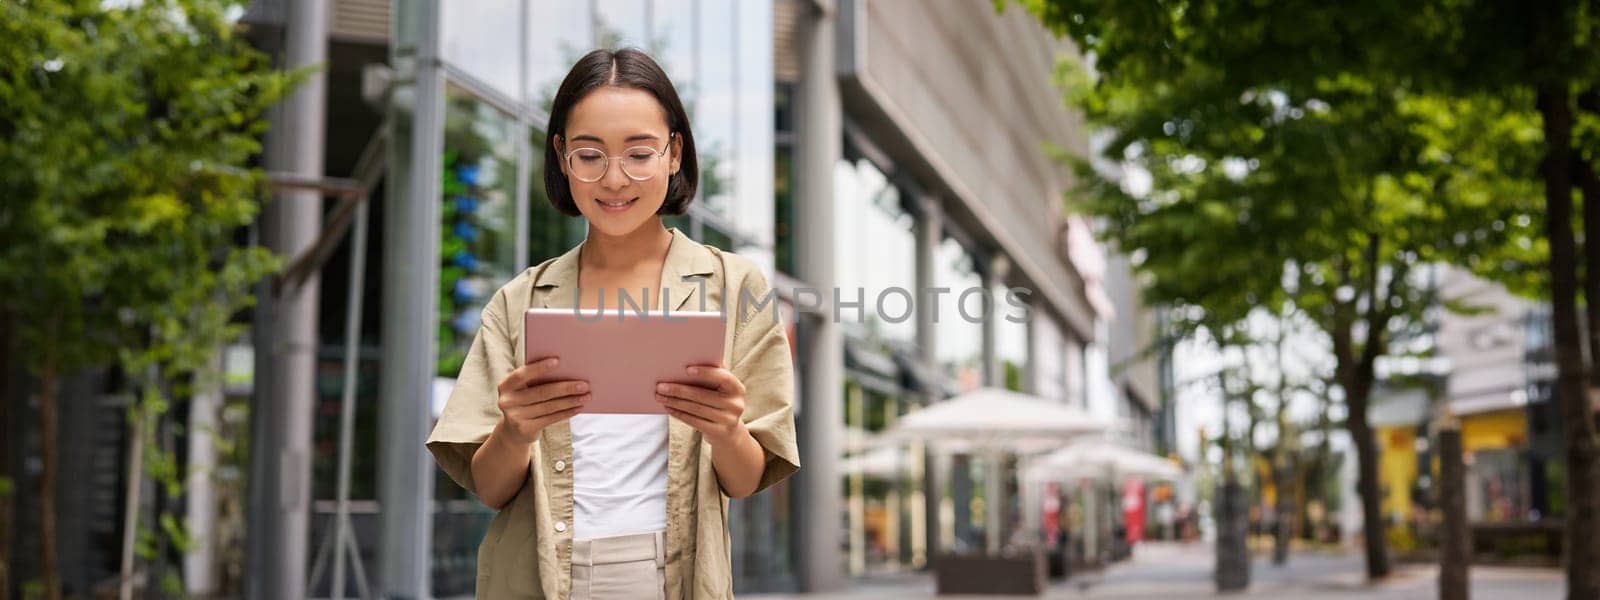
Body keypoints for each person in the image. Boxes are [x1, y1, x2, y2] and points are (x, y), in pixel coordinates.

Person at [426, 47, 801, 600]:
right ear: (561, 157)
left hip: (665, 575)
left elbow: (745, 481)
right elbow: (489, 486)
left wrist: (725, 428)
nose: (615, 178)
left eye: (639, 153)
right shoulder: (519, 301)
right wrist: (515, 429)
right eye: (590, 154)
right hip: (535, 575)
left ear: (674, 153)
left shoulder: (736, 288)